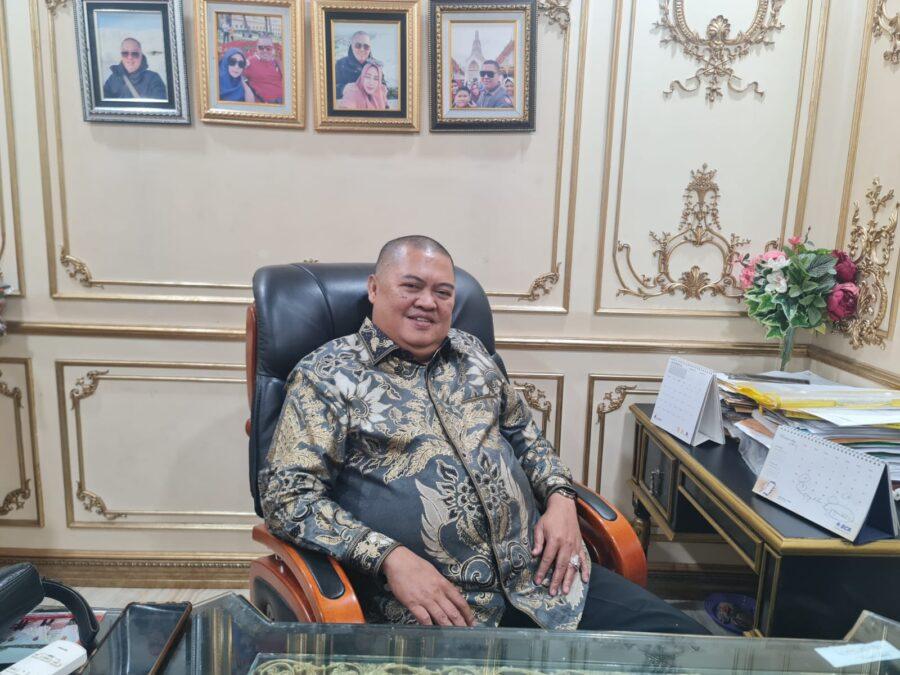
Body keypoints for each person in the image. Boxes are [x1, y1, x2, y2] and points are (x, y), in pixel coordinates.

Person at [261, 235, 709, 634]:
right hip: (436, 607)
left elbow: (526, 437)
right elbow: (287, 497)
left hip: (546, 580)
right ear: (375, 289)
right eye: (411, 286)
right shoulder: (326, 375)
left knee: (689, 646)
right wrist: (389, 557)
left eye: (443, 292)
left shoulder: (472, 352)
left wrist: (560, 498)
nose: (428, 302)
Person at [102, 38, 167, 100]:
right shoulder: (112, 79)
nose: (130, 57)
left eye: (135, 54)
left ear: (141, 56)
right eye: (125, 53)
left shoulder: (153, 79)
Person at [243, 35, 283, 103]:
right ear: (257, 48)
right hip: (266, 103)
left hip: (283, 101)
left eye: (268, 48)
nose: (264, 50)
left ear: (273, 49)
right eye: (261, 47)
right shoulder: (249, 62)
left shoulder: (277, 62)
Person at [335, 30, 373, 99]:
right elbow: (328, 89)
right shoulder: (339, 64)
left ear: (370, 48)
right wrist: (343, 89)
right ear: (352, 46)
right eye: (358, 45)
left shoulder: (375, 66)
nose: (362, 49)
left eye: (366, 46)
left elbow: (383, 88)